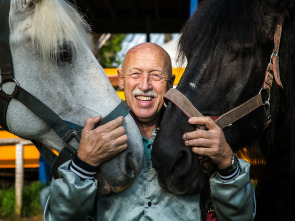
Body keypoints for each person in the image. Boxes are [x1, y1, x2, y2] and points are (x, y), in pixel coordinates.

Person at [40, 43, 256, 220]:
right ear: (121, 79)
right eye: (135, 74)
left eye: (155, 76)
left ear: (171, 83)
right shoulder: (94, 138)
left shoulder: (197, 137)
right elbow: (58, 217)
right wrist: (84, 164)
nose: (144, 85)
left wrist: (227, 163)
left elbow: (241, 217)